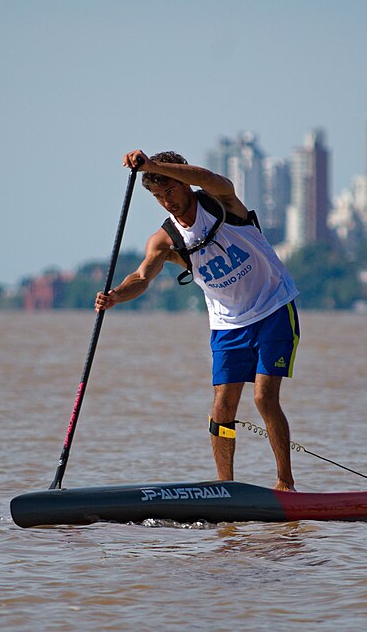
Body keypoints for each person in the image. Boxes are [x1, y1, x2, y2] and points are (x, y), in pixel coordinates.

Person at [95, 149, 300, 491]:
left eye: (171, 191)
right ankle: (224, 489)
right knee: (222, 407)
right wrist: (116, 295)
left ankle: (285, 483)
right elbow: (143, 276)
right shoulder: (165, 240)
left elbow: (207, 179)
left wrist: (152, 165)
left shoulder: (220, 201)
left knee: (264, 398)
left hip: (273, 307)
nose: (167, 202)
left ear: (185, 182)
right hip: (227, 324)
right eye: (158, 197)